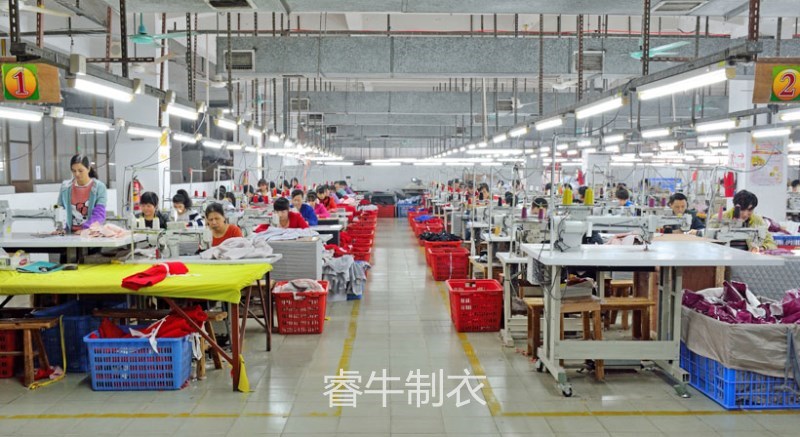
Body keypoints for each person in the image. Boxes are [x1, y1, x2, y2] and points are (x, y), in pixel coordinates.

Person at [711, 190, 776, 252]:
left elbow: (772, 244)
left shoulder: (758, 220)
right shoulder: (718, 219)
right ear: (735, 206)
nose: (745, 214)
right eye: (742, 209)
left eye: (749, 210)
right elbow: (707, 242)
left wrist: (762, 248)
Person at [58, 154, 107, 234]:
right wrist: (60, 228)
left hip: (90, 232)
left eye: (80, 171)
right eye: (74, 171)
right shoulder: (65, 188)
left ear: (88, 169)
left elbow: (99, 214)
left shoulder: (99, 187)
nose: (77, 174)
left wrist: (85, 229)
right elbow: (60, 210)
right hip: (70, 233)